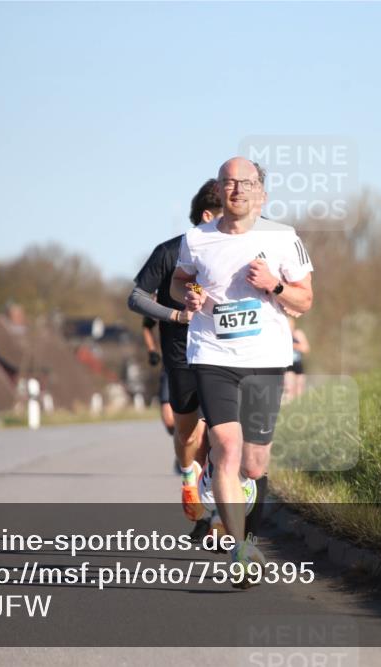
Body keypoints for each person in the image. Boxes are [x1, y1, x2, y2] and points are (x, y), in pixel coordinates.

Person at [170, 157, 314, 587]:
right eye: (229, 183)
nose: (237, 190)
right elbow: (180, 282)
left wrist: (274, 283)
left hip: (266, 358)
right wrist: (190, 295)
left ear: (262, 193)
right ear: (219, 190)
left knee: (254, 462)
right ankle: (239, 549)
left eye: (246, 183)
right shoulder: (196, 239)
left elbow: (305, 300)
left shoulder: (284, 238)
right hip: (212, 355)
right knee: (227, 448)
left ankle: (231, 484)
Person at [128, 179, 221, 523]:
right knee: (188, 433)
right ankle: (189, 479)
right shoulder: (168, 252)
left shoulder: (235, 252)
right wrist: (176, 315)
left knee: (220, 433)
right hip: (181, 356)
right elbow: (135, 298)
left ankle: (216, 510)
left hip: (223, 355)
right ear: (208, 215)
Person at [141, 316, 175, 436]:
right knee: (169, 420)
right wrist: (152, 350)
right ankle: (182, 448)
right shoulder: (162, 299)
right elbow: (147, 326)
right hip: (171, 365)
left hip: (200, 363)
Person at [284, 315, 310, 400]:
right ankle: (288, 406)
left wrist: (294, 346)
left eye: (291, 324)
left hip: (298, 364)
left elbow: (306, 349)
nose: (289, 327)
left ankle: (298, 406)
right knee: (289, 388)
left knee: (300, 389)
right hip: (288, 365)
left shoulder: (298, 334)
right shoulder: (281, 336)